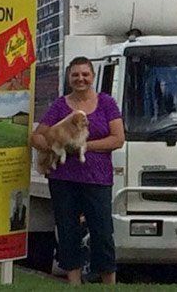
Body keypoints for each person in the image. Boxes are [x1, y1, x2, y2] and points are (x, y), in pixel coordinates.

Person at [30, 57, 124, 285]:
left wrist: (84, 147)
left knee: (102, 232)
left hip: (98, 179)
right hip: (64, 179)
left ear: (93, 77)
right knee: (67, 230)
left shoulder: (106, 103)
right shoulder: (60, 106)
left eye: (85, 74)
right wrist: (48, 146)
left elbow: (118, 139)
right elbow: (37, 136)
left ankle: (108, 283)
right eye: (75, 75)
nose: (80, 79)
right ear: (69, 78)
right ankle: (74, 282)